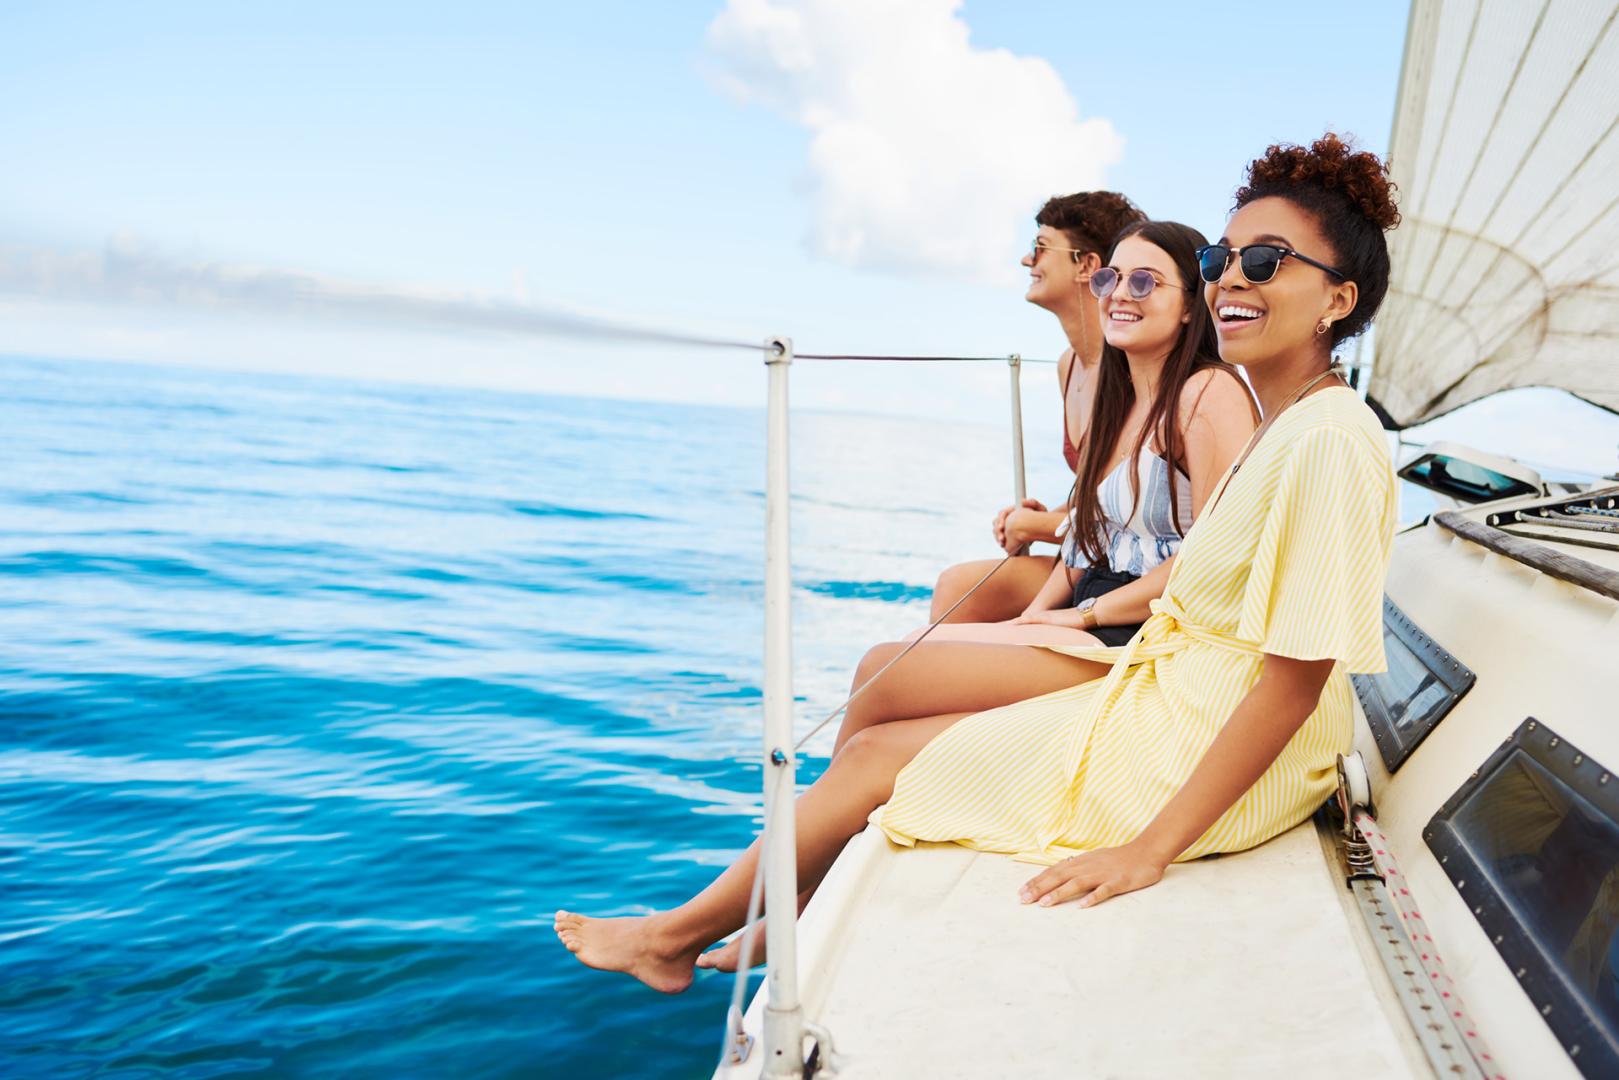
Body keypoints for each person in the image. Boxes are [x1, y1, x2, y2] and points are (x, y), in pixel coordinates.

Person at [554, 133, 1401, 996]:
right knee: (877, 736)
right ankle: (737, 919)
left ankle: (683, 935)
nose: (1231, 279)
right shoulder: (1291, 420)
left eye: (1264, 261)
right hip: (1168, 691)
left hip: (1190, 729)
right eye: (1223, 257)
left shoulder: (1330, 438)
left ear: (1338, 297)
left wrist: (1150, 850)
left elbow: (1297, 681)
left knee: (878, 754)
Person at [929, 192, 1146, 625]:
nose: (1028, 260)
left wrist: (1030, 528)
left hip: (1124, 574)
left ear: (1087, 266)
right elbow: (1100, 498)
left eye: (1042, 247)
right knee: (956, 586)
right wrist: (1043, 518)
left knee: (958, 590)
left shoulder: (1129, 369)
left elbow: (1132, 511)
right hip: (1088, 556)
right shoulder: (1068, 367)